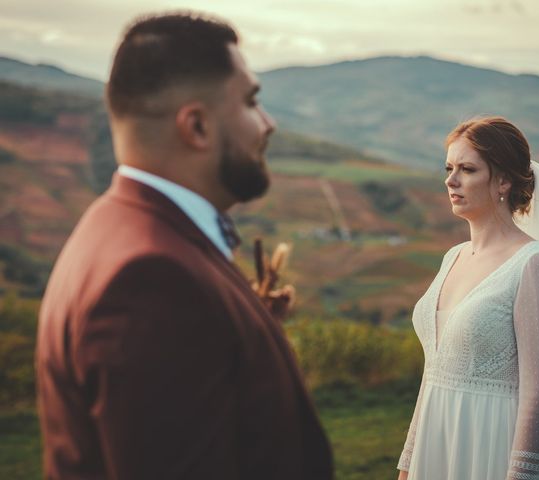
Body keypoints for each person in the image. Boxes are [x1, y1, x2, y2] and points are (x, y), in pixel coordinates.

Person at [36, 12, 333, 480]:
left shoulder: (117, 224)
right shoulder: (152, 282)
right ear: (196, 127)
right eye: (252, 102)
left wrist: (246, 329)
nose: (268, 124)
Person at [397, 116, 539, 480]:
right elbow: (433, 376)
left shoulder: (534, 266)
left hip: (493, 452)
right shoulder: (453, 258)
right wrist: (409, 464)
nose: (451, 180)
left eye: (467, 169)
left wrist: (520, 475)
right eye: (448, 168)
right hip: (436, 449)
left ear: (504, 180)